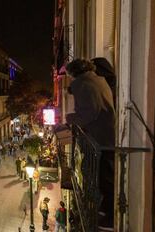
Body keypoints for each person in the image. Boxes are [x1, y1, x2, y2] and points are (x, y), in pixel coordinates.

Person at [65, 59, 115, 231]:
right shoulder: (97, 80)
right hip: (107, 136)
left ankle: (110, 216)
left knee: (103, 177)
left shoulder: (83, 84)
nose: (69, 79)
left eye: (69, 75)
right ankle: (107, 209)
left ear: (74, 73)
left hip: (100, 138)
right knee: (105, 174)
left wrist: (70, 119)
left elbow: (89, 112)